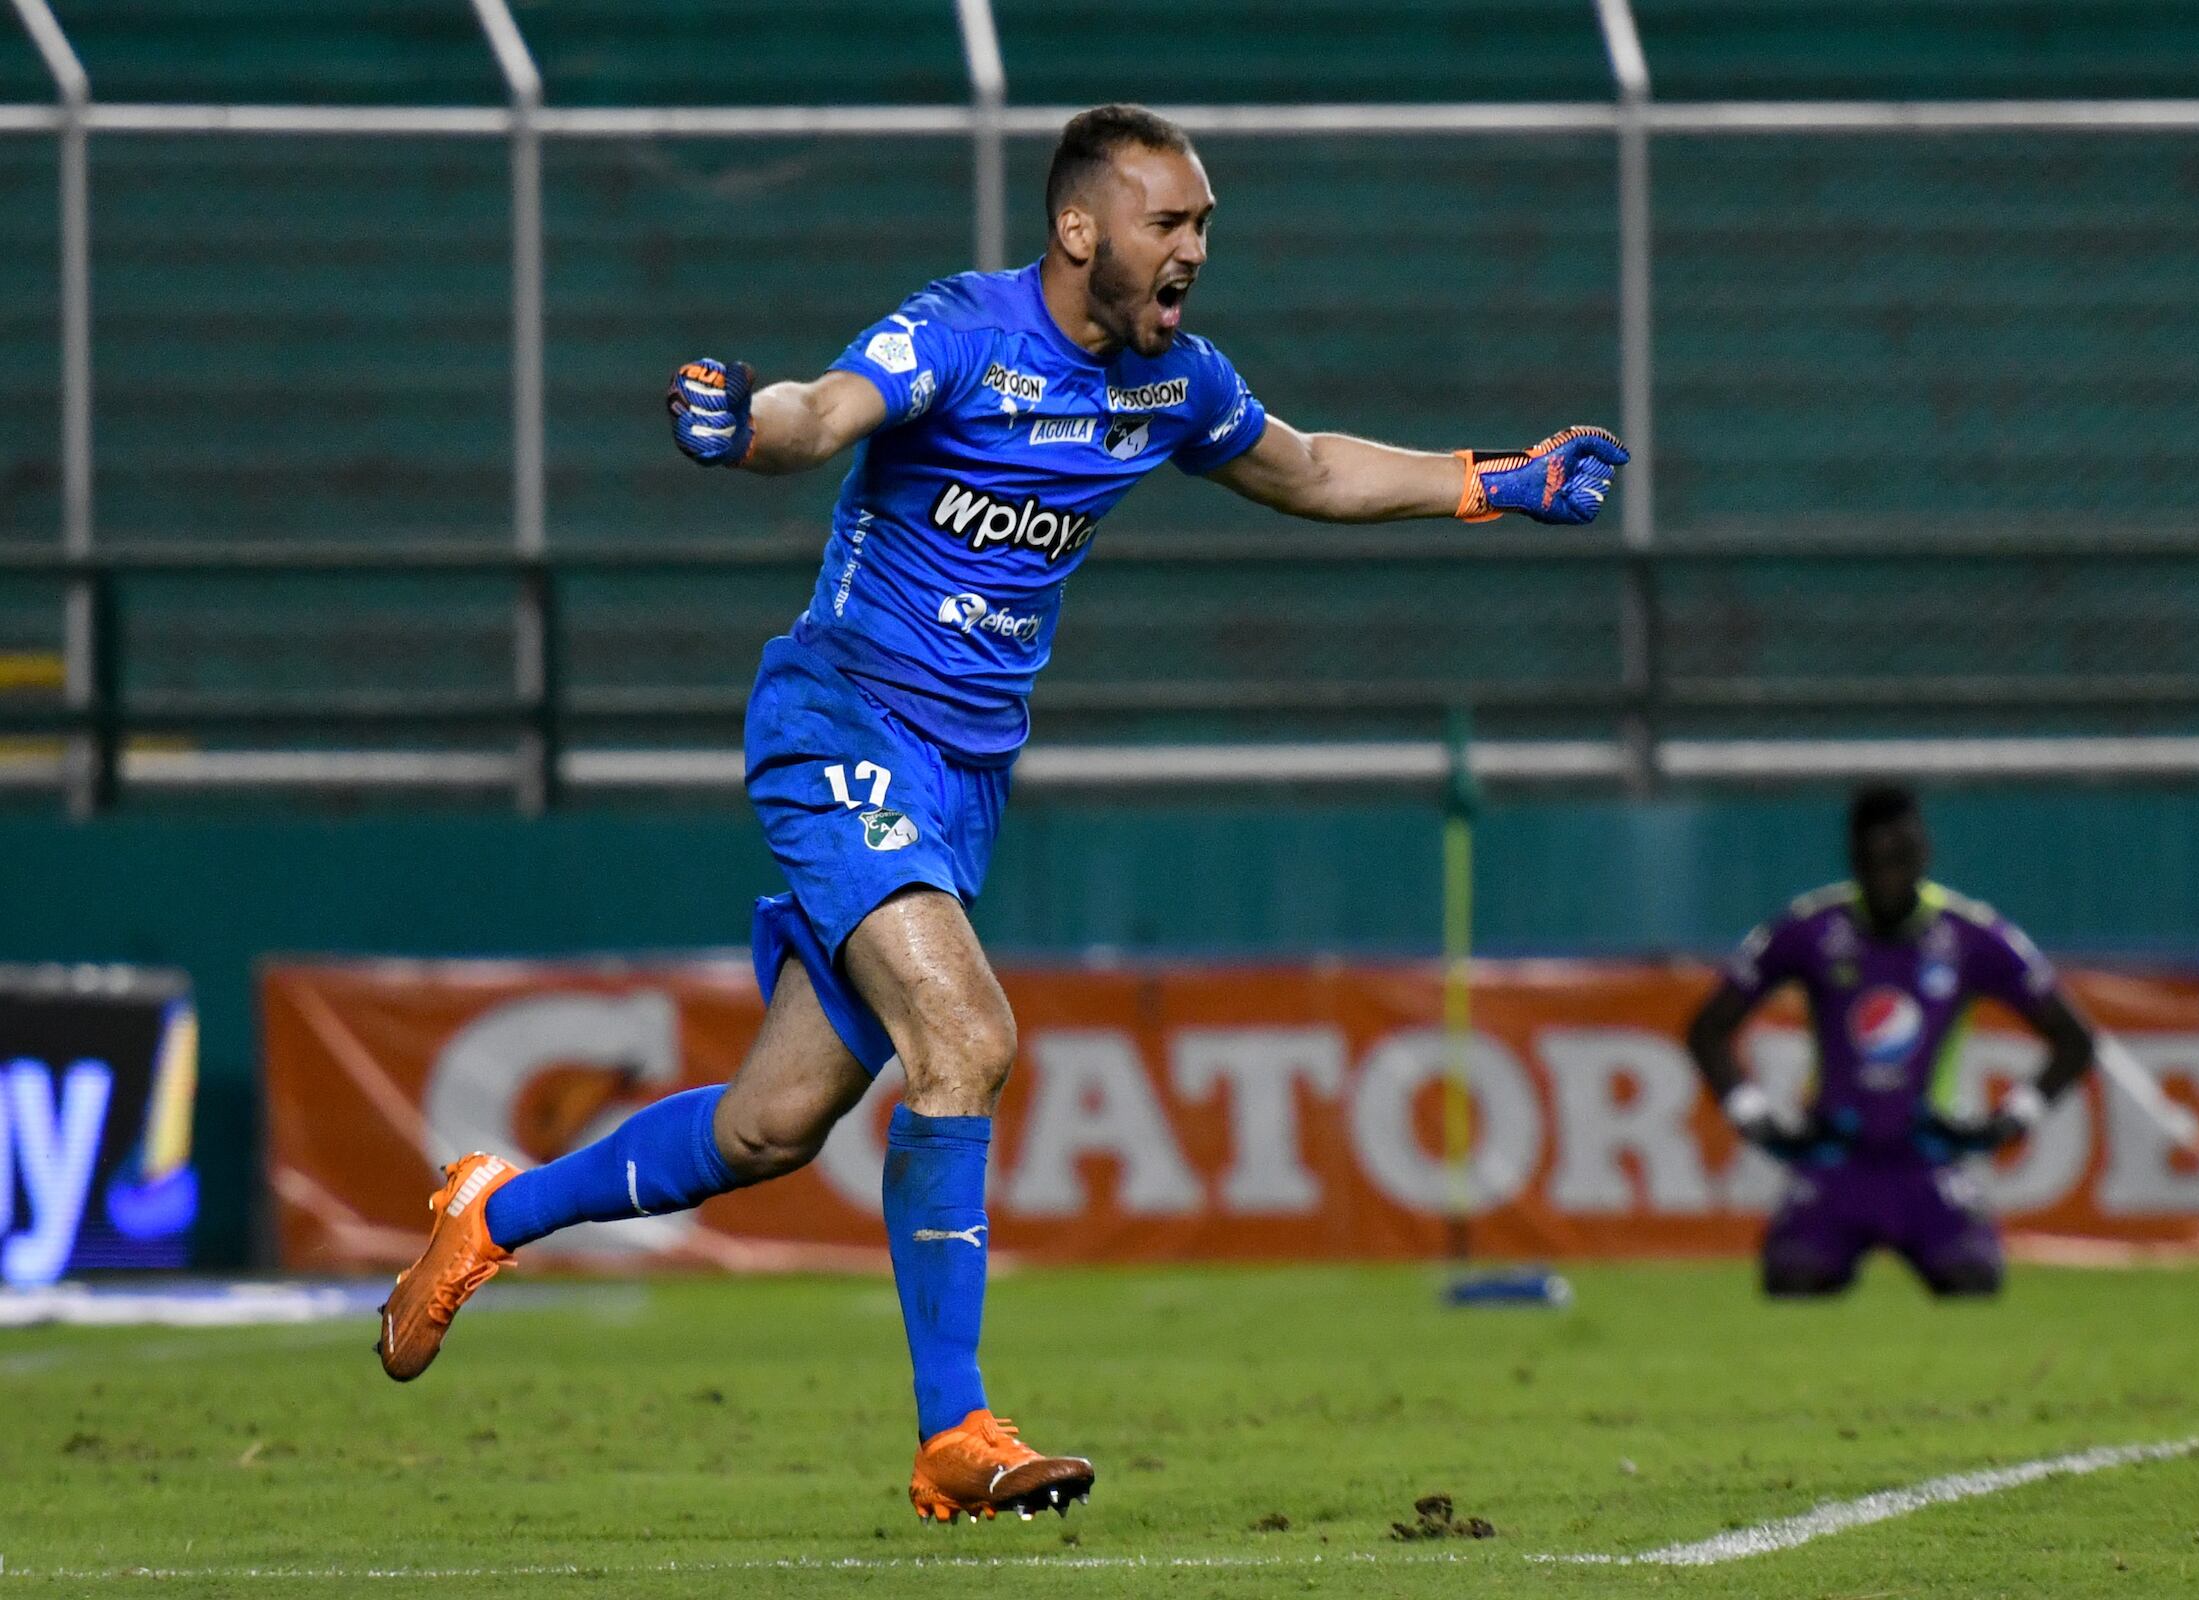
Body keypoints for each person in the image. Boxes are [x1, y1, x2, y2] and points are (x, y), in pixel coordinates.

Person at [374, 103, 1629, 1523]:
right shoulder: (961, 333)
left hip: (957, 785)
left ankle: (494, 1210)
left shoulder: (1172, 386)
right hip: (839, 723)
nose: (1196, 250)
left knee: (770, 1127)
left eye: (1206, 226)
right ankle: (953, 1429)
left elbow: (1312, 466)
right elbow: (824, 413)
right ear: (1079, 229)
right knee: (966, 1036)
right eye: (1172, 222)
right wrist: (747, 426)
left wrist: (1495, 482)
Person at [1683, 783, 2095, 1299]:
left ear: (1924, 852)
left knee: (1972, 1279)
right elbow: (1708, 1028)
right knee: (1792, 1279)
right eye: (1872, 857)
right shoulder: (1811, 930)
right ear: (1853, 857)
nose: (1886, 873)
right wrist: (1753, 1115)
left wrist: (2013, 1117)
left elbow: (2074, 1040)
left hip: (1926, 1157)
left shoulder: (1969, 935)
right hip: (1837, 1158)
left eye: (1898, 854)